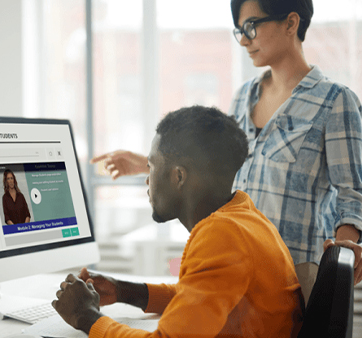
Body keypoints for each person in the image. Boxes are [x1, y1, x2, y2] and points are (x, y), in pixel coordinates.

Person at [90, 0, 362, 303]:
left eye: (251, 26)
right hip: (235, 266)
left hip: (294, 280)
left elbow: (352, 192)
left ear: (291, 23)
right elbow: (217, 170)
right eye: (240, 31)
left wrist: (344, 253)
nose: (245, 40)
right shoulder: (244, 96)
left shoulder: (335, 101)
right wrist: (149, 165)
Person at [53, 106, 304, 337]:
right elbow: (195, 297)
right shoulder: (243, 216)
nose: (147, 180)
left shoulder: (223, 235)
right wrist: (122, 290)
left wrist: (85, 316)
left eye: (151, 166)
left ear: (179, 176)